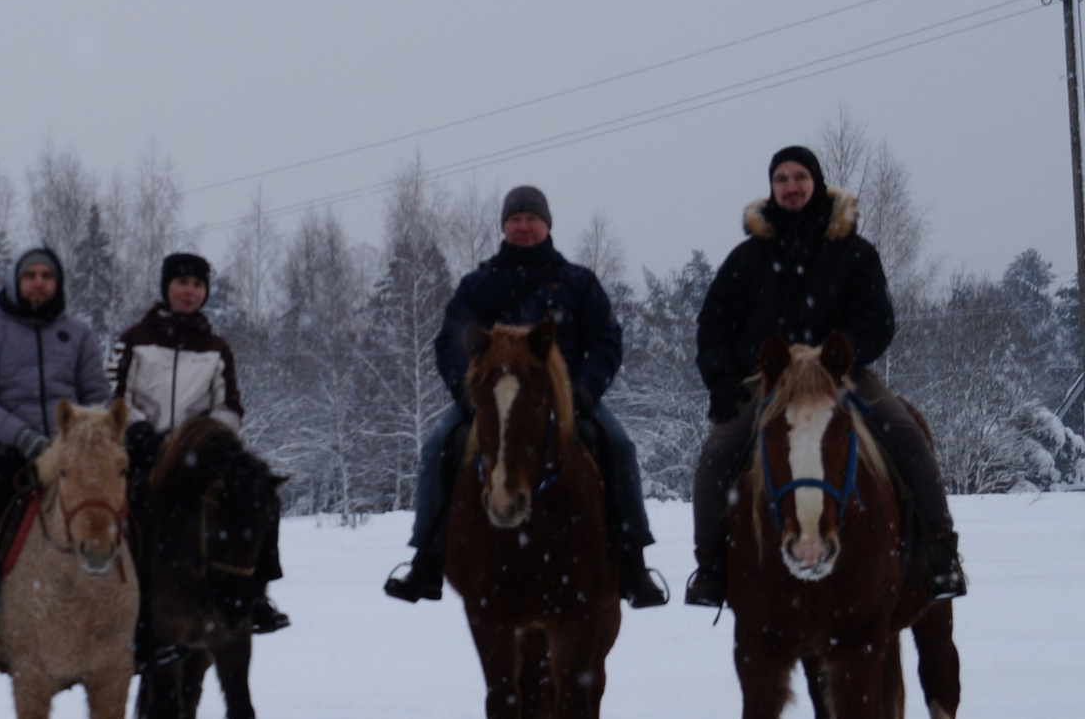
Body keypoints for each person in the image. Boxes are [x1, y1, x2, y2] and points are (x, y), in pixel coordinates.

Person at [682, 146, 965, 608]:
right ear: (771, 187)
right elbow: (713, 324)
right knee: (716, 453)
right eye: (781, 179)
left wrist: (837, 355)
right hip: (768, 383)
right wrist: (720, 380)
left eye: (799, 177)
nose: (790, 186)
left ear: (816, 182)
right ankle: (712, 567)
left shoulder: (853, 252)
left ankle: (941, 553)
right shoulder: (747, 258)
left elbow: (878, 320)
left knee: (908, 436)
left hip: (841, 376)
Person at [383, 186, 669, 609]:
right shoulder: (478, 284)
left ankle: (632, 561)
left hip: (566, 397)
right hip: (491, 400)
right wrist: (469, 394)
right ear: (503, 226)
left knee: (619, 446)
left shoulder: (578, 282)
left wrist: (585, 391)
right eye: (515, 219)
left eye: (531, 218)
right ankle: (428, 558)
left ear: (547, 225)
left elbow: (606, 340)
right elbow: (449, 341)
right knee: (437, 447)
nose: (523, 226)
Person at [0, 246, 111, 670]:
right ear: (16, 282)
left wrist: (78, 436)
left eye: (46, 276)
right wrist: (22, 436)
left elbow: (97, 396)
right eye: (30, 275)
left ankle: (133, 625)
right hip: (12, 449)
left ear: (57, 284)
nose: (39, 282)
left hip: (72, 450)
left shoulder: (78, 333)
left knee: (120, 511)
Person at [109, 252, 290, 644]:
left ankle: (256, 595)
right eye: (182, 282)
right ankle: (129, 606)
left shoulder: (216, 348)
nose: (190, 291)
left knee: (260, 495)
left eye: (198, 284)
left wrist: (204, 437)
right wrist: (140, 432)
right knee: (133, 508)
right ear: (166, 287)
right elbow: (112, 395)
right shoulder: (133, 340)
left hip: (197, 455)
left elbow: (230, 405)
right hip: (142, 449)